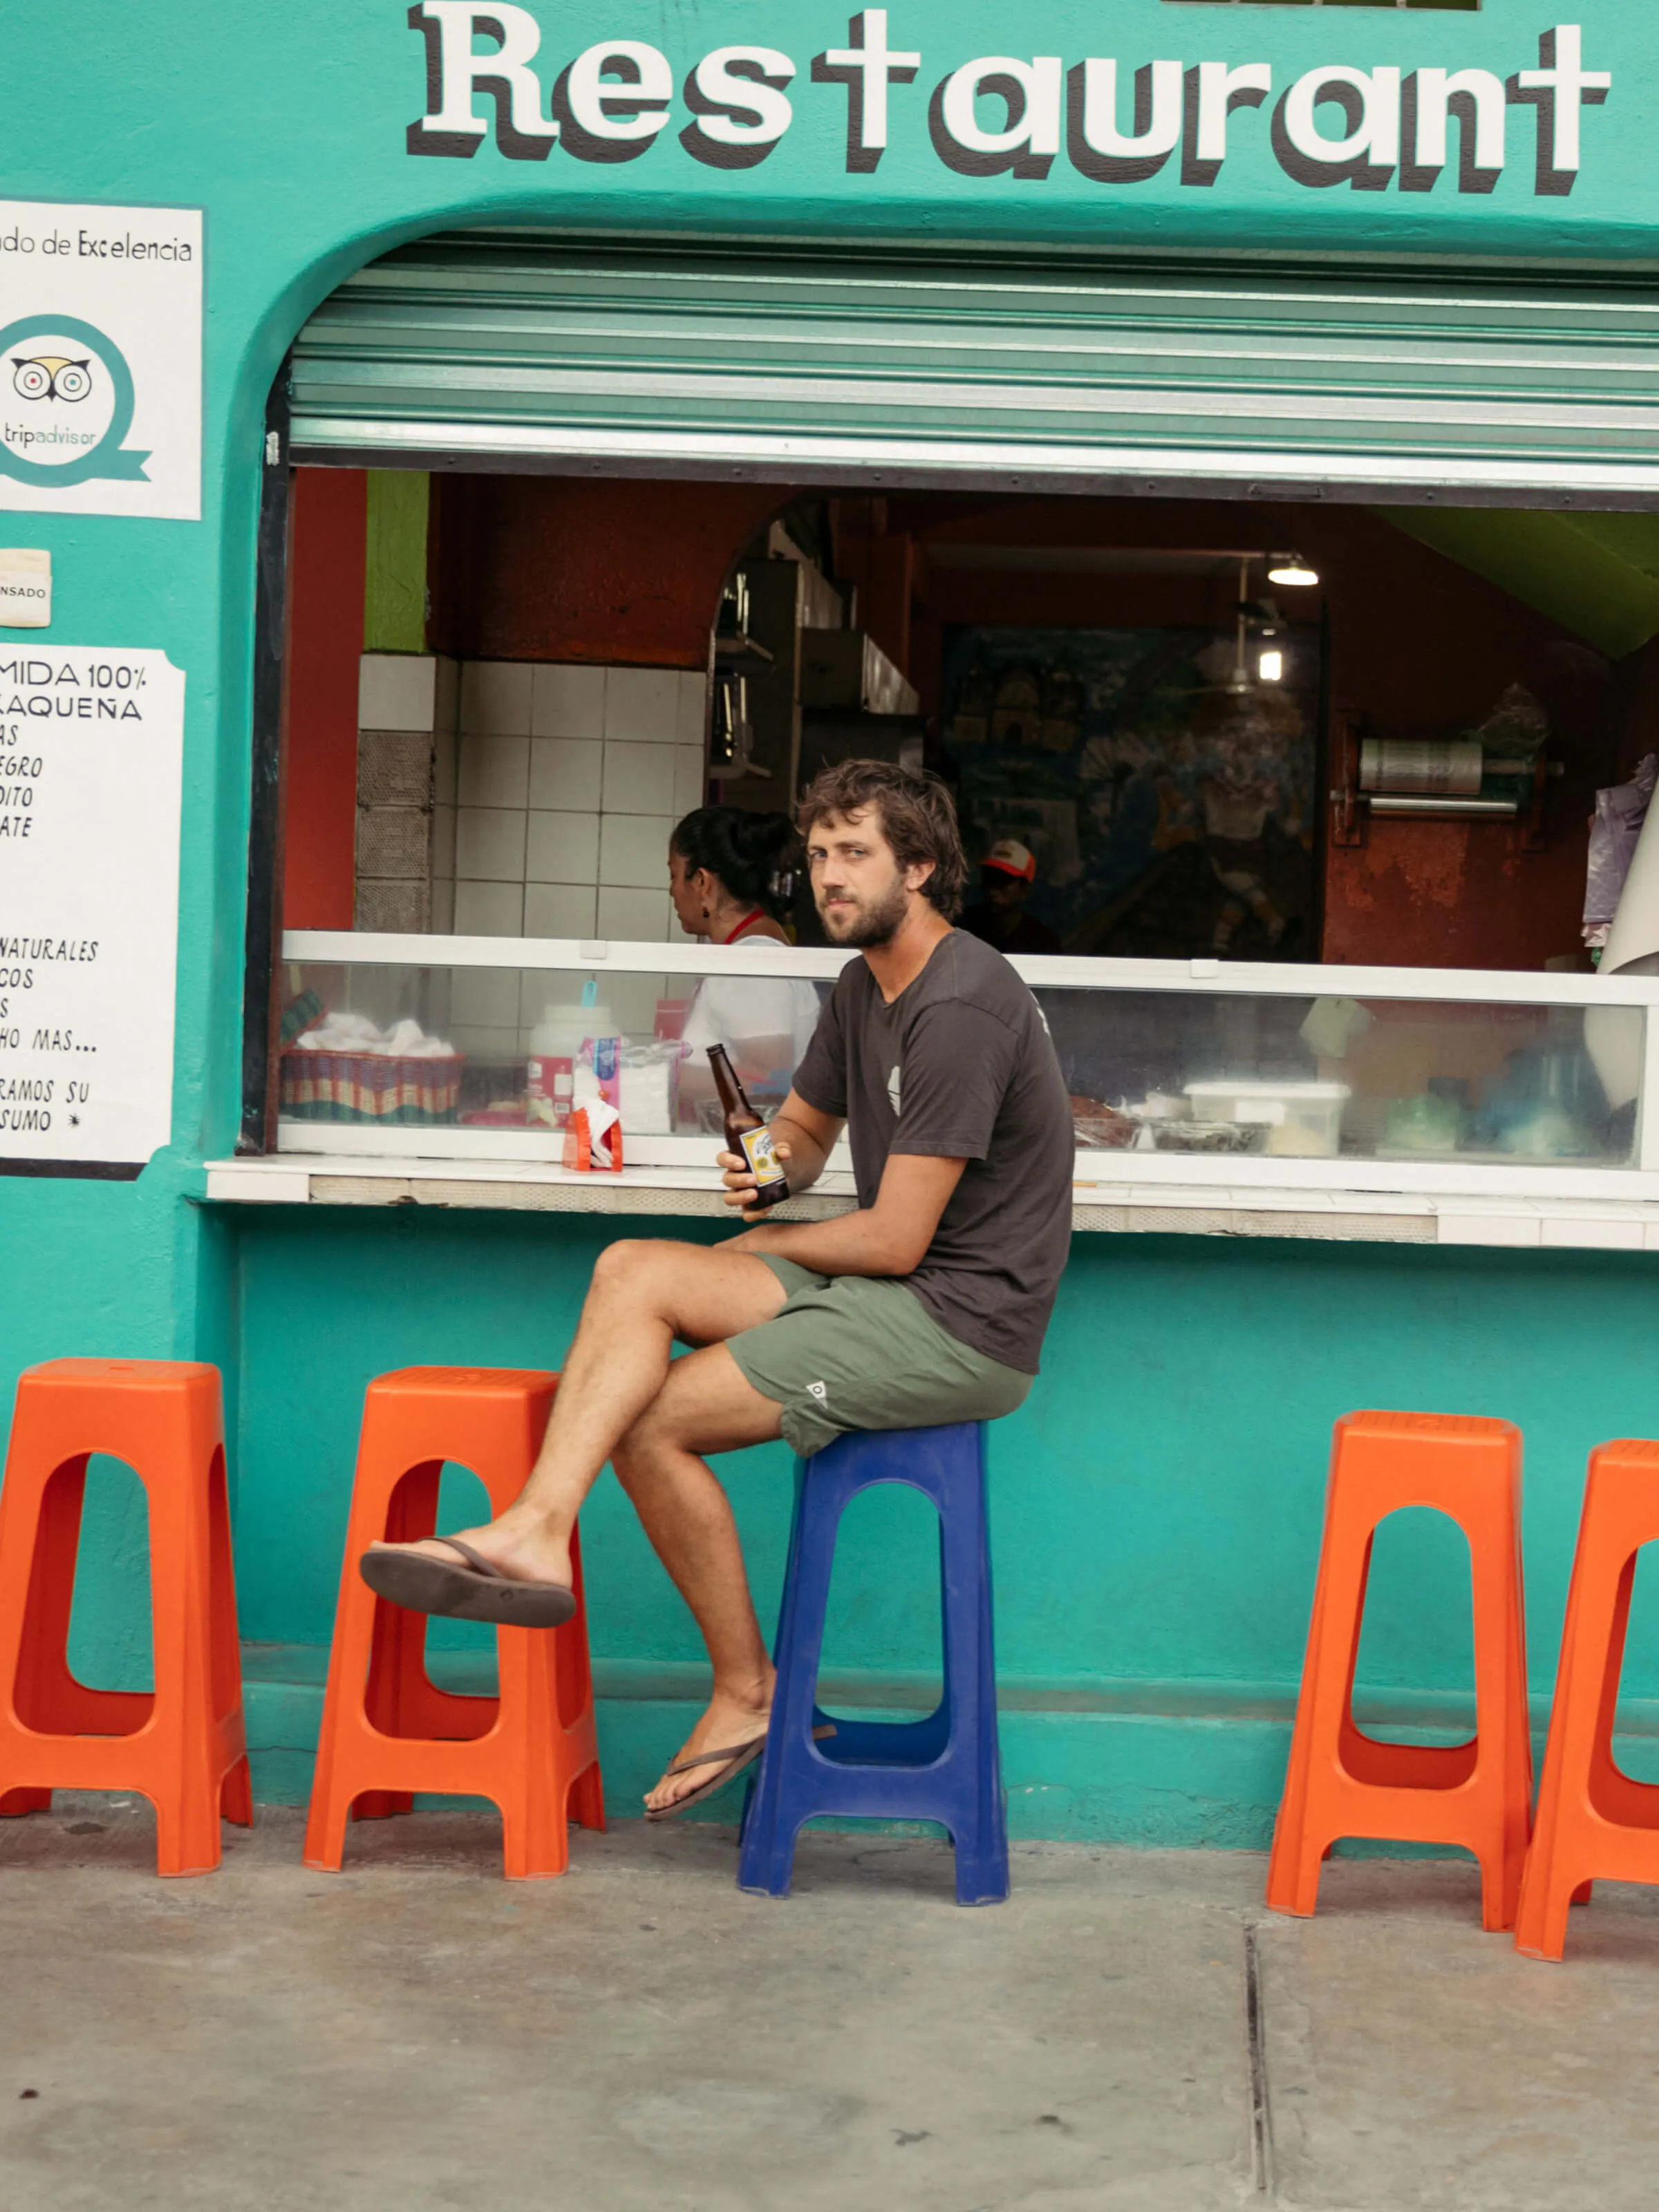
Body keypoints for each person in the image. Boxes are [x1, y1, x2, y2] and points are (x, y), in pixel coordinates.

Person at [360, 761, 1076, 1820]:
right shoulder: (857, 986)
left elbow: (896, 1236)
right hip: (890, 1294)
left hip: (955, 1324)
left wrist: (786, 1233)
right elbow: (805, 1129)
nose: (829, 879)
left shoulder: (962, 1002)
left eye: (856, 855)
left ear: (920, 867)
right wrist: (773, 1165)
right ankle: (534, 1526)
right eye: (820, 855)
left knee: (647, 1425)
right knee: (631, 1270)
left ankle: (745, 1691)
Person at [666, 806, 821, 1125]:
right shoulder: (749, 955)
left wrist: (669, 1078)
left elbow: (772, 1081)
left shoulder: (750, 969)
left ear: (702, 883)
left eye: (673, 875)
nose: (671, 890)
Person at [958, 839, 1065, 956]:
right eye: (989, 878)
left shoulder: (1043, 944)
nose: (993, 888)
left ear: (1025, 890)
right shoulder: (960, 928)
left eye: (1003, 880)